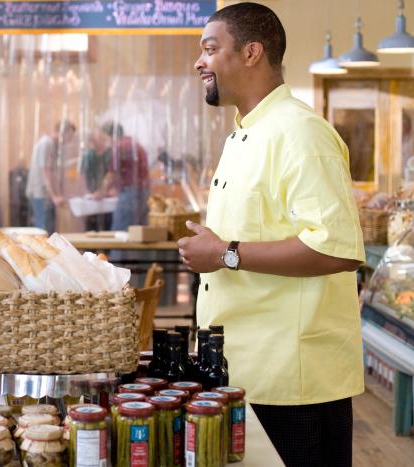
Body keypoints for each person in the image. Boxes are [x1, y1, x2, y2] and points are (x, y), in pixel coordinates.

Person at [177, 4, 364, 466]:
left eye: (210, 48)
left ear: (252, 53)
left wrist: (224, 253)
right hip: (246, 368)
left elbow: (336, 249)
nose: (199, 62)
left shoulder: (300, 134)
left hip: (293, 379)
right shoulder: (246, 134)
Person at [25, 120, 76, 234]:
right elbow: (46, 171)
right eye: (70, 136)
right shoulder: (46, 143)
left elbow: (52, 172)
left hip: (45, 194)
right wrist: (54, 196)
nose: (70, 140)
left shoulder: (51, 145)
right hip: (41, 194)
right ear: (64, 132)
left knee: (48, 230)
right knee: (43, 232)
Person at [99, 121, 150, 231]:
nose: (106, 142)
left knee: (120, 233)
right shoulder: (136, 144)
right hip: (144, 192)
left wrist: (101, 193)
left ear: (111, 135)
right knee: (139, 233)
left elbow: (111, 174)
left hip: (130, 194)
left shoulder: (119, 147)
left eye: (105, 138)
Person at [80, 128, 112, 231]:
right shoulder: (88, 155)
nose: (103, 142)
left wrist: (107, 190)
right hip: (92, 195)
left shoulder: (108, 154)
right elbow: (83, 175)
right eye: (100, 139)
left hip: (106, 196)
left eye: (103, 139)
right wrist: (86, 192)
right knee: (91, 225)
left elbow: (111, 174)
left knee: (107, 224)